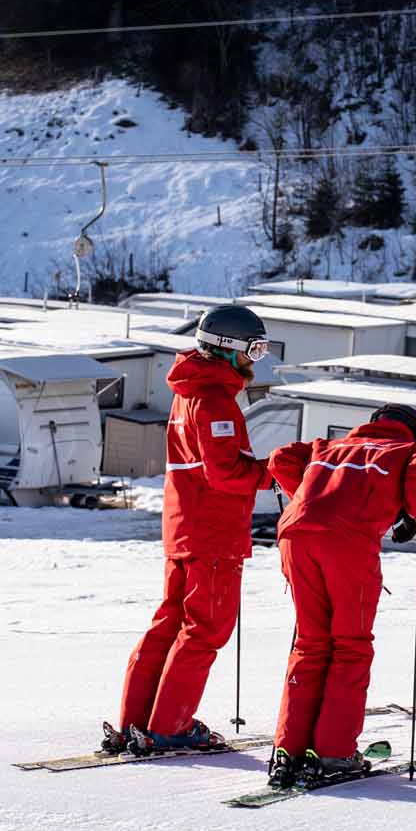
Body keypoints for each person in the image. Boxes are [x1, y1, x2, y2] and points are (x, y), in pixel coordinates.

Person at [109, 305, 272, 753]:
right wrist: (272, 473)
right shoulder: (215, 398)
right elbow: (225, 472)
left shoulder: (189, 392)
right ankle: (170, 726)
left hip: (185, 528)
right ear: (229, 349)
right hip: (213, 532)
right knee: (205, 630)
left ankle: (137, 721)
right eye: (254, 350)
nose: (255, 360)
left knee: (170, 624)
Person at [263, 404, 416, 788]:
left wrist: (312, 499)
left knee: (310, 643)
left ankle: (288, 750)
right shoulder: (412, 449)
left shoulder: (329, 446)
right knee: (350, 646)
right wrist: (411, 512)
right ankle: (333, 753)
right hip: (347, 541)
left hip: (296, 535)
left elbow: (280, 458)